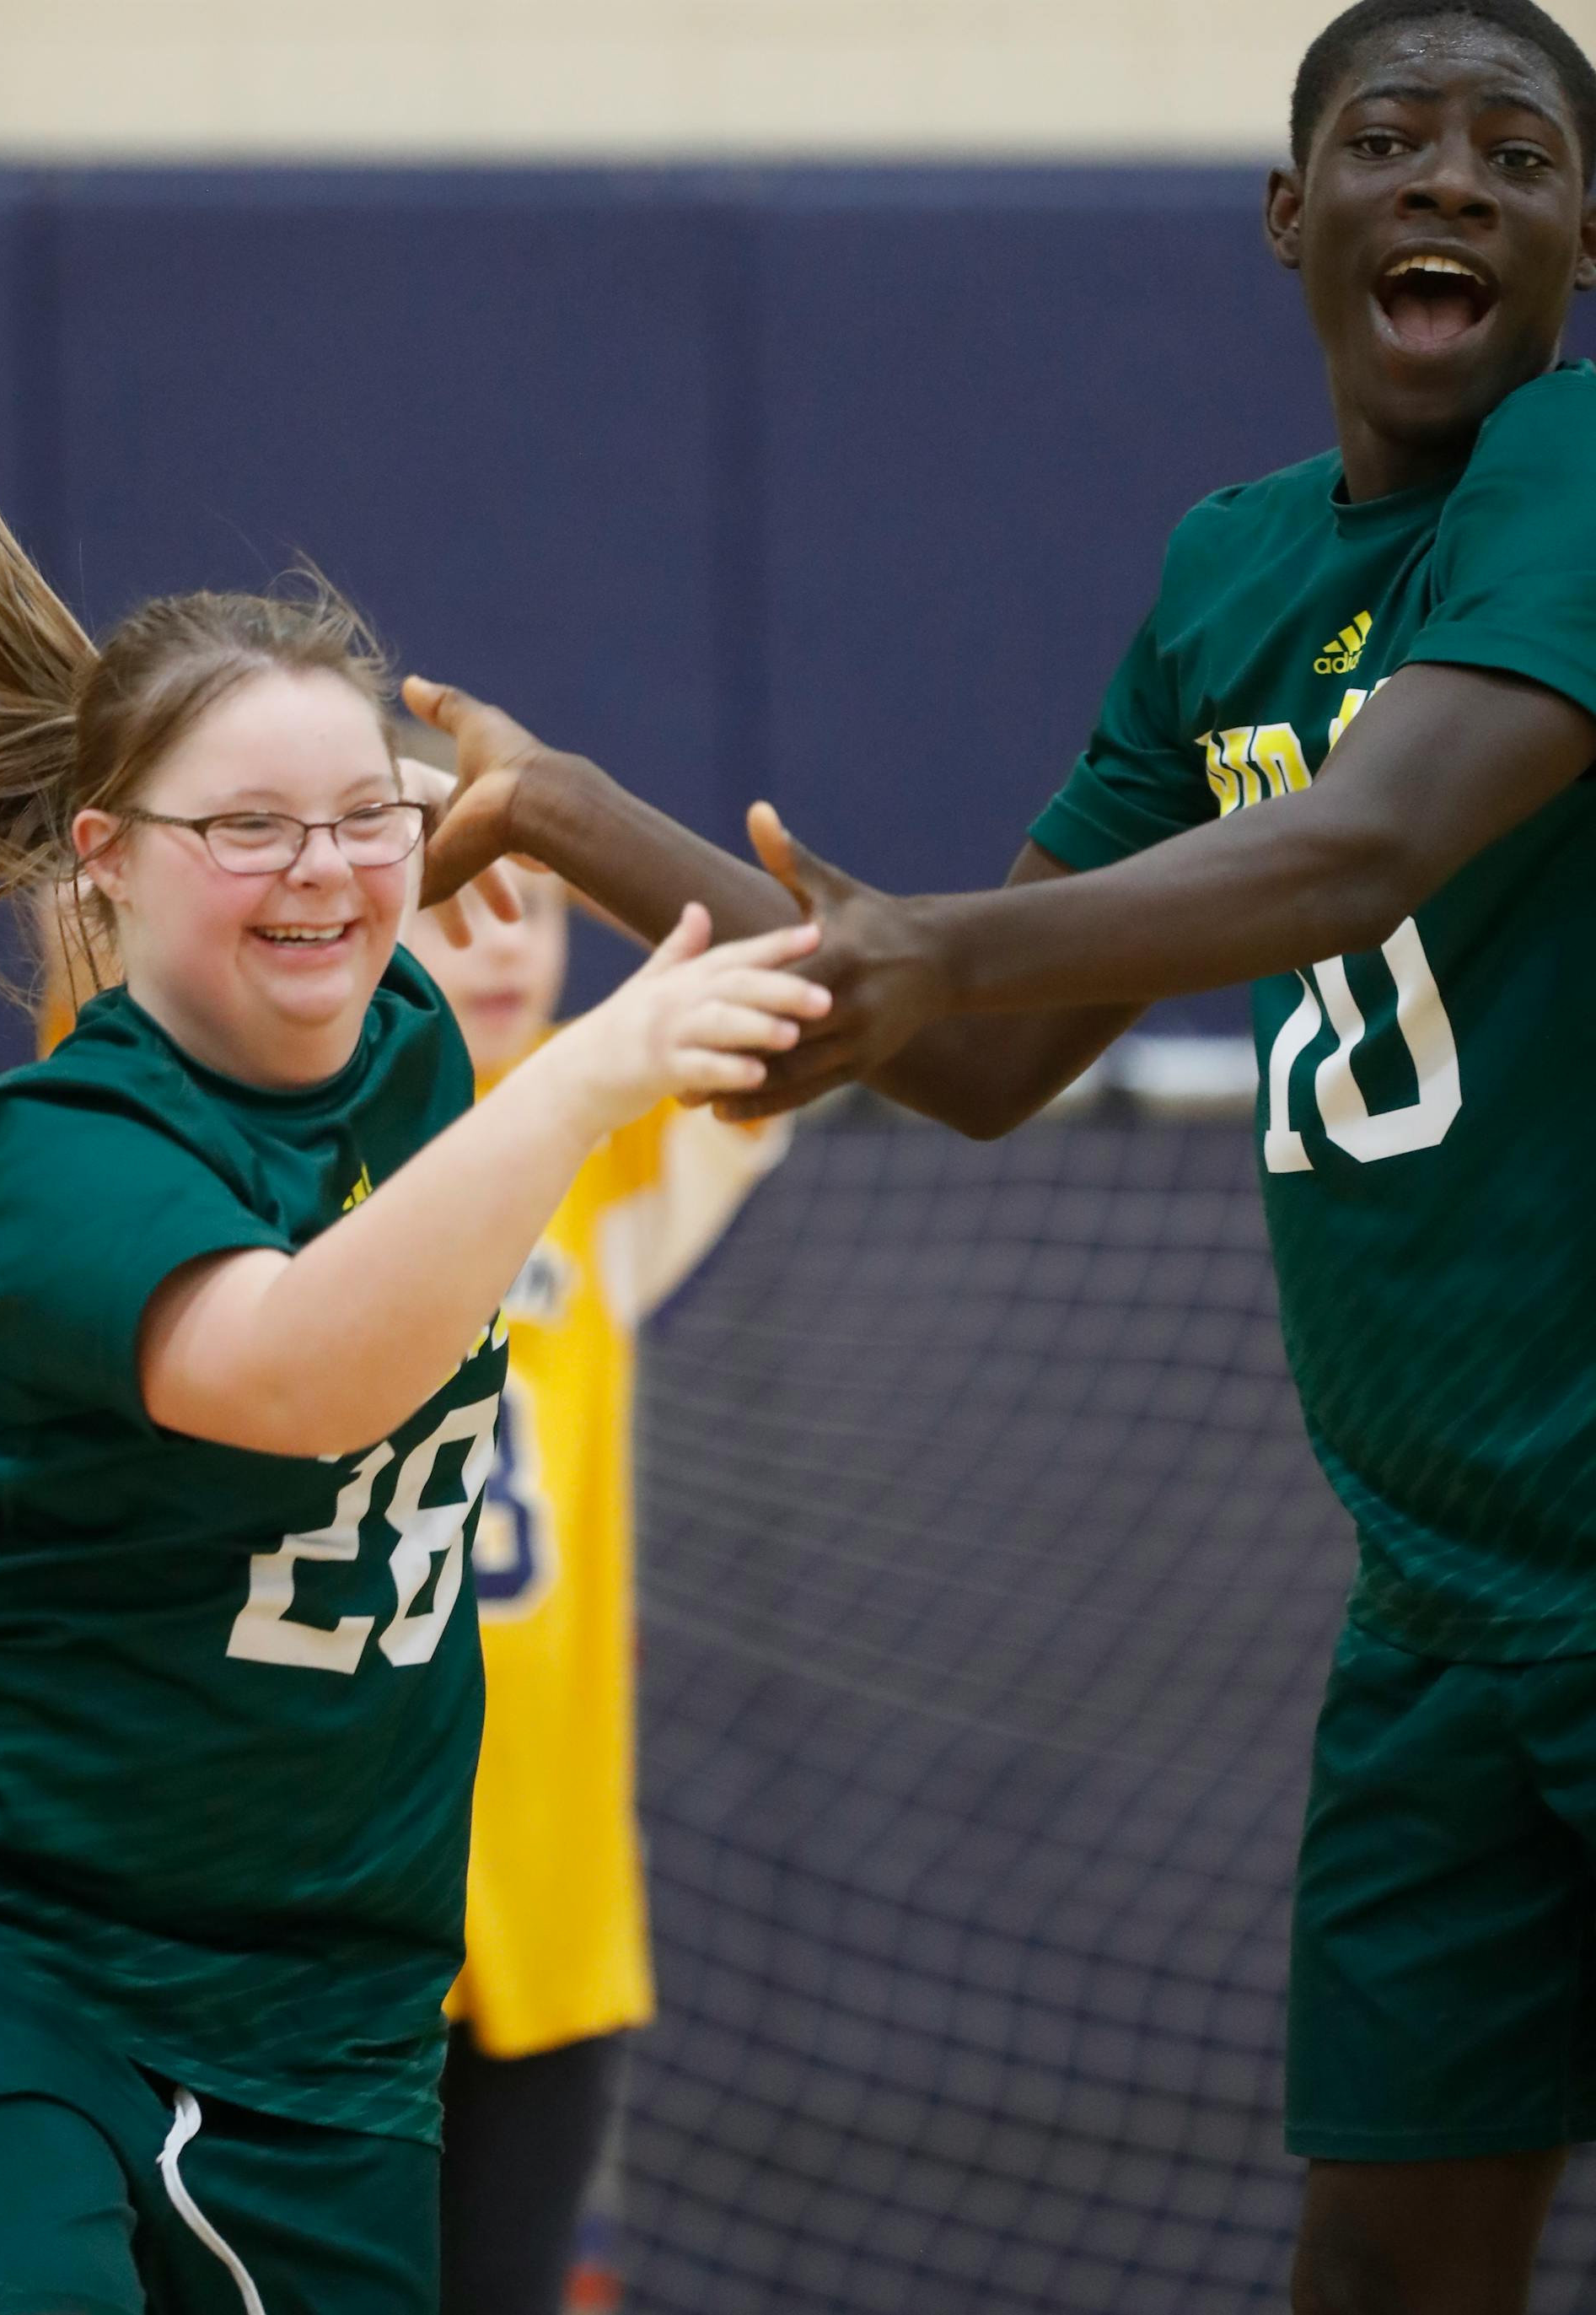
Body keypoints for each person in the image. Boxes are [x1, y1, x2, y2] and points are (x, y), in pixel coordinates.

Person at [400, 5, 1596, 2307]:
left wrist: (932, 949)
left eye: (1515, 156)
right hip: (1439, 1598)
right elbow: (968, 1044)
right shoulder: (1225, 575)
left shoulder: (1574, 474)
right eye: (1388, 143)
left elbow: (1371, 845)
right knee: (1380, 2268)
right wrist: (573, 808)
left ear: (1586, 237)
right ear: (1289, 215)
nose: (1448, 185)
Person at [0, 401, 829, 2315]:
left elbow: (839, 994)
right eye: (245, 826)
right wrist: (582, 1078)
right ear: (105, 858)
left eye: (364, 819)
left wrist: (570, 801)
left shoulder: (419, 1052)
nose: (320, 868)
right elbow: (295, 1377)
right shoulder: (57, 1157)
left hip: (327, 2004)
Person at [405, 866, 787, 2315]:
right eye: (453, 903)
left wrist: (581, 815)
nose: (505, 942)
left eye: (540, 902)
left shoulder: (605, 1145)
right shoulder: (253, 1140)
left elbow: (802, 998)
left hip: (550, 1897)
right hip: (321, 1889)